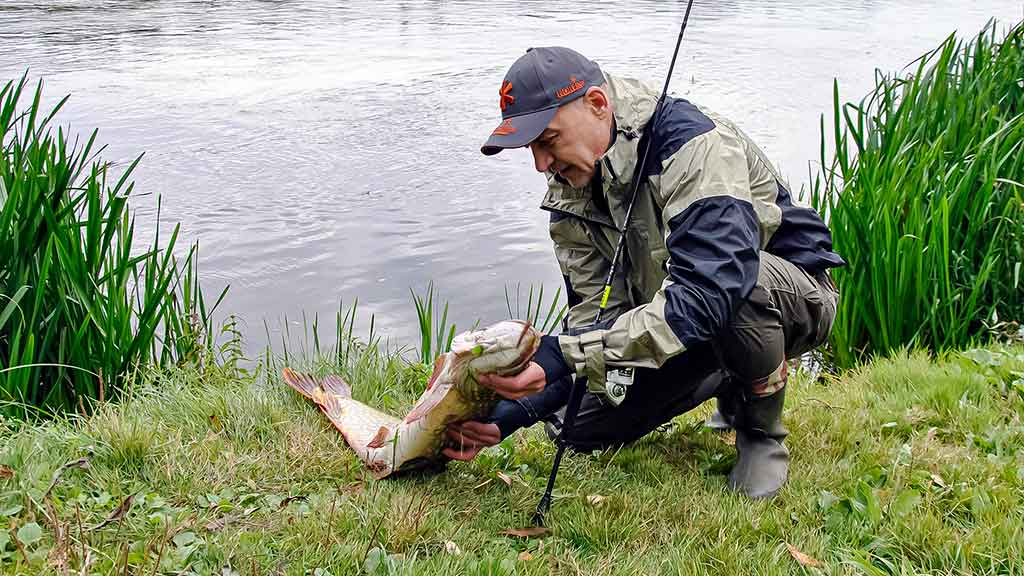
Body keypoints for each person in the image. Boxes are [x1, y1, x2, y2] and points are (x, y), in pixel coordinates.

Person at [443, 46, 843, 499]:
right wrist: (515, 412)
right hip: (682, 313)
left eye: (548, 140)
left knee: (735, 294)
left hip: (789, 295)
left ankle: (760, 433)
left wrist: (562, 355)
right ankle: (723, 370)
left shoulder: (694, 146)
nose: (540, 164)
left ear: (597, 104)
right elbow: (596, 322)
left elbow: (708, 294)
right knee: (578, 431)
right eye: (531, 148)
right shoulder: (570, 192)